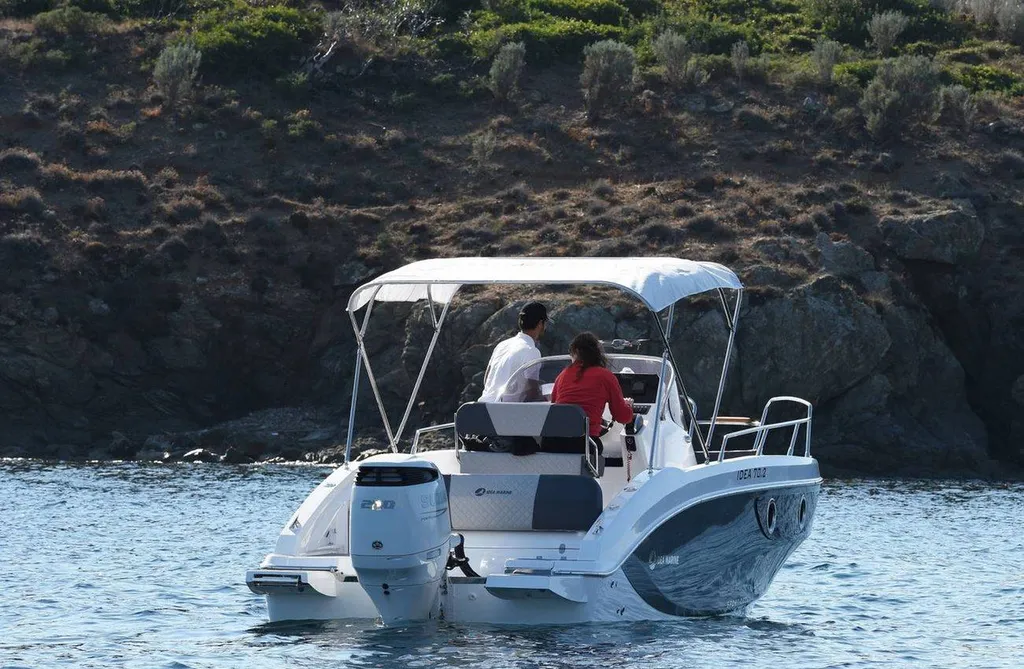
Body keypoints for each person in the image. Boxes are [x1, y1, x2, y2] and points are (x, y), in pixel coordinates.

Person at [548, 332, 634, 454]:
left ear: (575, 353)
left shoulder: (562, 376)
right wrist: (629, 407)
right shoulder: (605, 376)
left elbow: (555, 407)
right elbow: (623, 416)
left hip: (554, 443)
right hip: (585, 445)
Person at [477, 301, 549, 403]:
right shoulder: (532, 351)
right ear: (540, 324)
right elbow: (532, 394)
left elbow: (487, 379)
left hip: (482, 407)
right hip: (503, 412)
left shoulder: (502, 345)